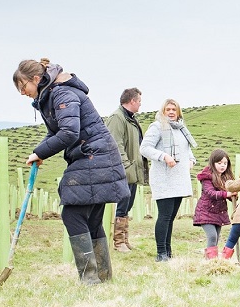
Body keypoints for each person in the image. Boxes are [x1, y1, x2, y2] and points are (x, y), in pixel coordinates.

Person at [13, 58, 128, 284]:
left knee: (72, 214)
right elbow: (56, 132)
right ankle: (103, 279)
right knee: (93, 219)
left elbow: (68, 133)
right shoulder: (52, 95)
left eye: (22, 86)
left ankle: (90, 280)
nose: (22, 92)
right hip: (95, 154)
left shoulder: (61, 94)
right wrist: (39, 153)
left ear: (36, 79)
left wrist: (41, 153)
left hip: (94, 155)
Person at [139, 99, 197, 261]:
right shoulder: (157, 127)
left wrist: (191, 159)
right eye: (168, 109)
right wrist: (163, 156)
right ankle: (161, 253)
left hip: (179, 178)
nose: (171, 112)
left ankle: (168, 252)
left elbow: (186, 149)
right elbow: (144, 148)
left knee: (171, 217)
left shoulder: (181, 128)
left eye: (174, 109)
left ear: (178, 112)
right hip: (164, 178)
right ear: (163, 111)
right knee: (164, 216)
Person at [104, 87, 148, 253]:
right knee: (122, 204)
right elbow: (116, 144)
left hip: (132, 170)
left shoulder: (130, 118)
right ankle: (118, 242)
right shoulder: (117, 118)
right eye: (139, 101)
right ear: (132, 101)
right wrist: (125, 166)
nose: (140, 105)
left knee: (127, 204)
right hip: (124, 170)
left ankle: (124, 239)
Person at [193, 149, 236, 260]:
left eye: (225, 163)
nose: (222, 166)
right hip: (206, 211)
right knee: (212, 236)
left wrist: (235, 194)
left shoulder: (227, 179)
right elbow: (211, 193)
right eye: (219, 163)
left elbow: (230, 196)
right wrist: (227, 194)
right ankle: (211, 263)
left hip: (219, 212)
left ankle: (210, 260)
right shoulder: (207, 177)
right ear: (213, 163)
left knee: (216, 238)